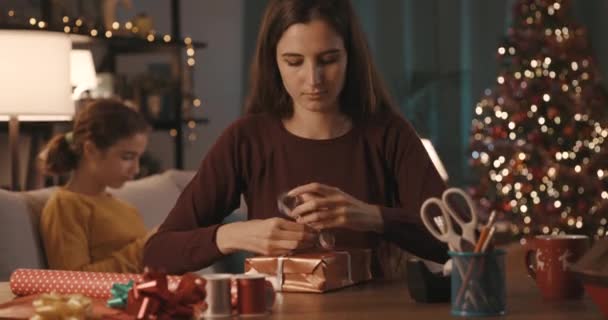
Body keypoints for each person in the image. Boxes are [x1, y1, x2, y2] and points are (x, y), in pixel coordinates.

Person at [144, 0, 448, 277]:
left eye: (328, 60)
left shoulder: (388, 133)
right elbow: (157, 253)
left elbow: (458, 243)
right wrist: (234, 235)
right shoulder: (246, 139)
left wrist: (373, 217)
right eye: (294, 62)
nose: (313, 79)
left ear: (351, 58)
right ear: (273, 62)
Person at [40, 99, 155, 273]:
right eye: (127, 157)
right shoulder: (65, 205)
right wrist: (145, 249)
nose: (136, 169)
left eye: (139, 158)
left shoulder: (126, 209)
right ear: (90, 150)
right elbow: (73, 281)